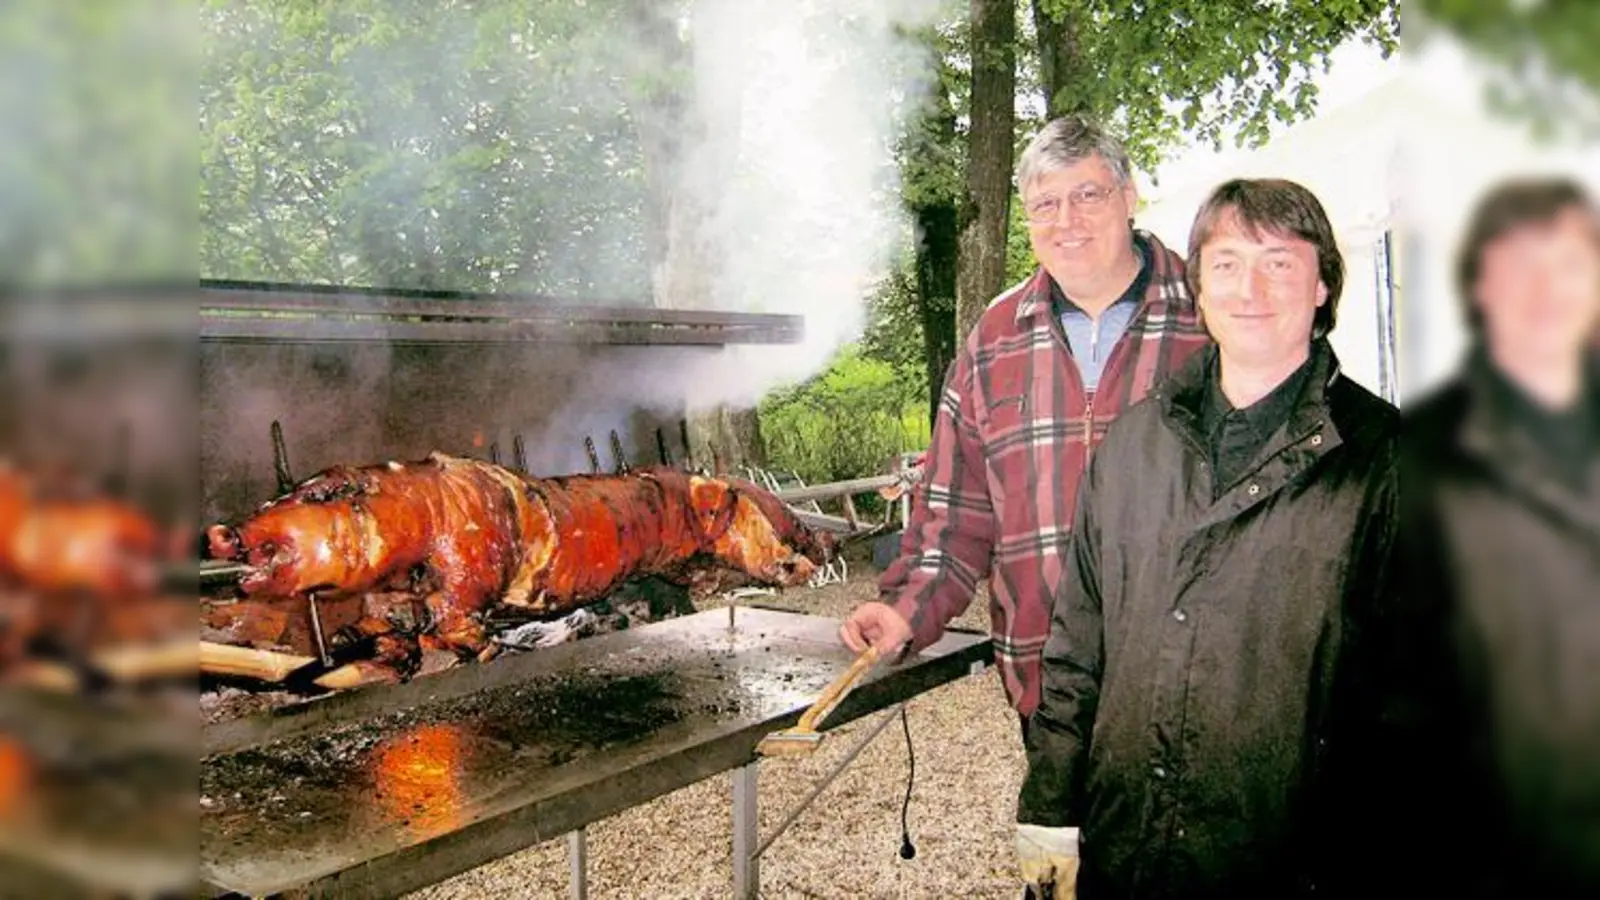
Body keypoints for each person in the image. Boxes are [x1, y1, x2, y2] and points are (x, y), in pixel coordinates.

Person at [1014, 178, 1400, 899]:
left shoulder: (1388, 462)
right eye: (1226, 263)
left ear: (1322, 285)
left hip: (1290, 865)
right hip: (1126, 852)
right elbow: (1076, 647)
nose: (1251, 288)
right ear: (1198, 286)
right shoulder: (1133, 446)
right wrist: (1049, 809)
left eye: (1279, 262)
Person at [838, 116, 1209, 739]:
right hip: (1049, 687)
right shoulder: (996, 338)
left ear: (1129, 196)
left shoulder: (1209, 316)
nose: (1067, 221)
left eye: (1087, 195)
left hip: (1196, 684)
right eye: (1045, 205)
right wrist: (905, 610)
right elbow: (955, 512)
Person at [1396, 177, 1600, 900]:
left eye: (1568, 264)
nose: (1544, 290)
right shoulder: (1417, 453)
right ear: (1479, 287)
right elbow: (1394, 675)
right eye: (1518, 265)